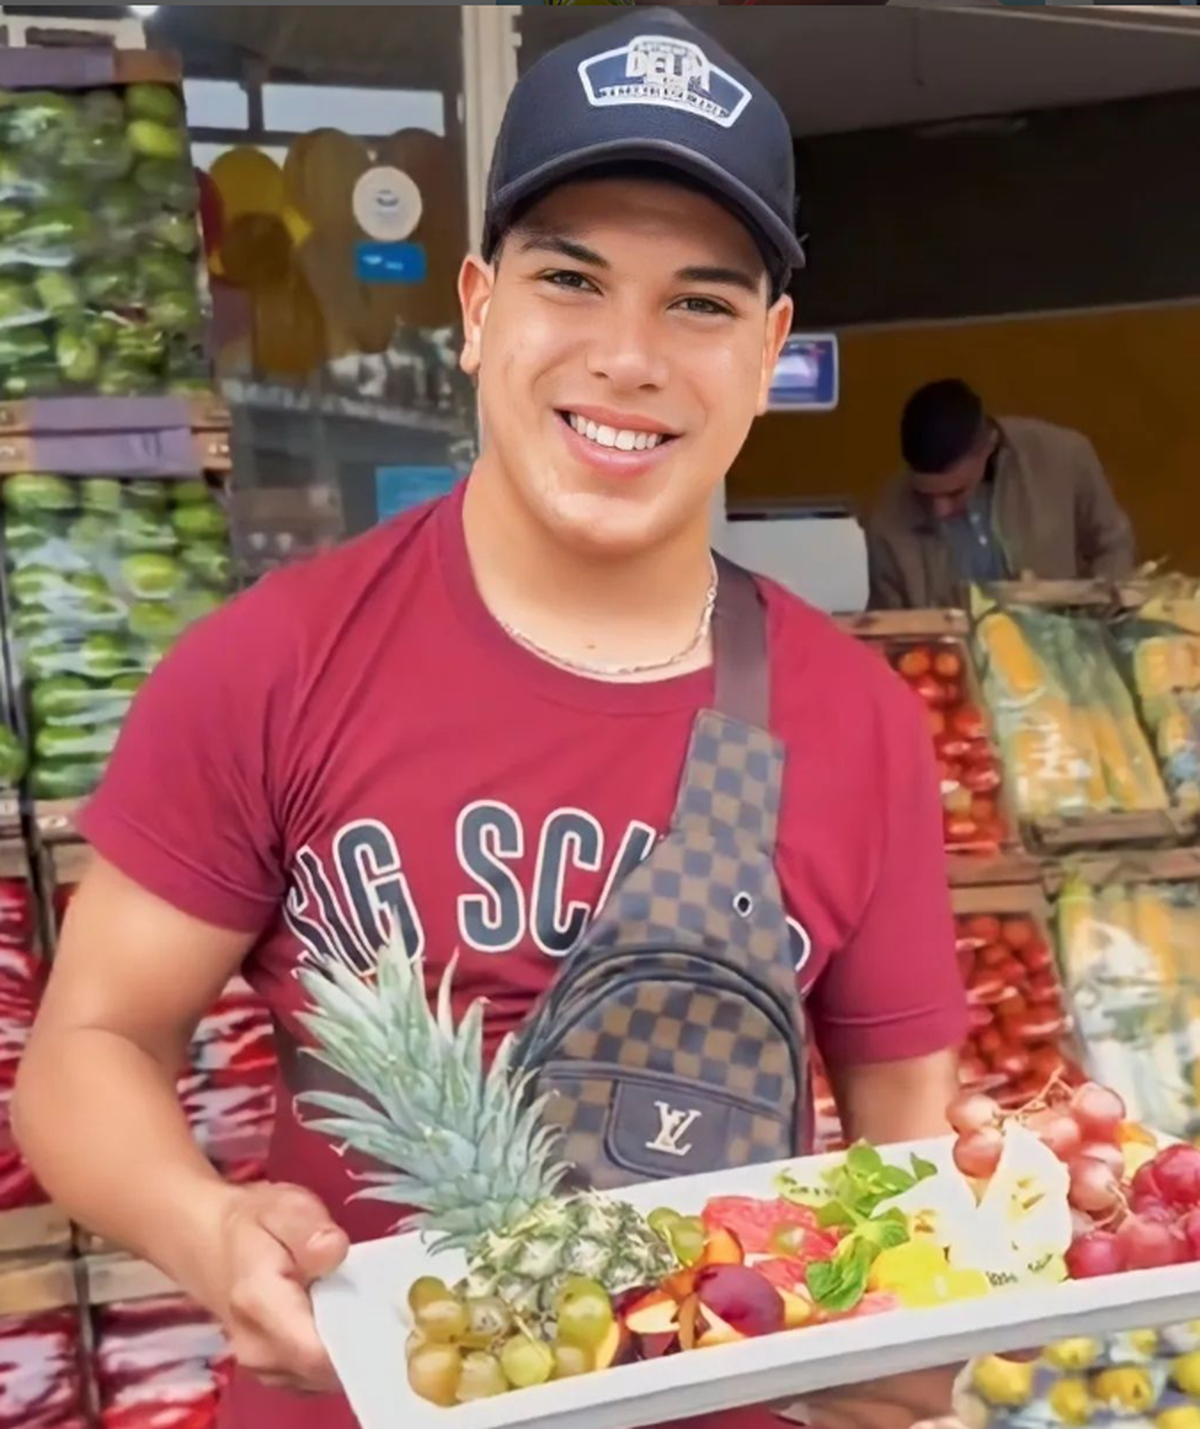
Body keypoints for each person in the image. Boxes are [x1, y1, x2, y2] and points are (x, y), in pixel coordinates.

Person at [14, 12, 967, 1429]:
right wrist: (204, 1225)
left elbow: (905, 1143)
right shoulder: (273, 663)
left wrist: (906, 1372)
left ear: (768, 352)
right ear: (475, 309)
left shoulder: (857, 723)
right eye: (570, 280)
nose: (627, 356)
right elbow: (86, 1047)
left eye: (700, 303)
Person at [867, 378, 1136, 609]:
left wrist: (1099, 615)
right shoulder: (886, 527)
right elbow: (893, 636)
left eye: (954, 493)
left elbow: (1112, 545)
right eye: (925, 496)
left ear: (988, 446)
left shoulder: (1063, 457)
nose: (940, 510)